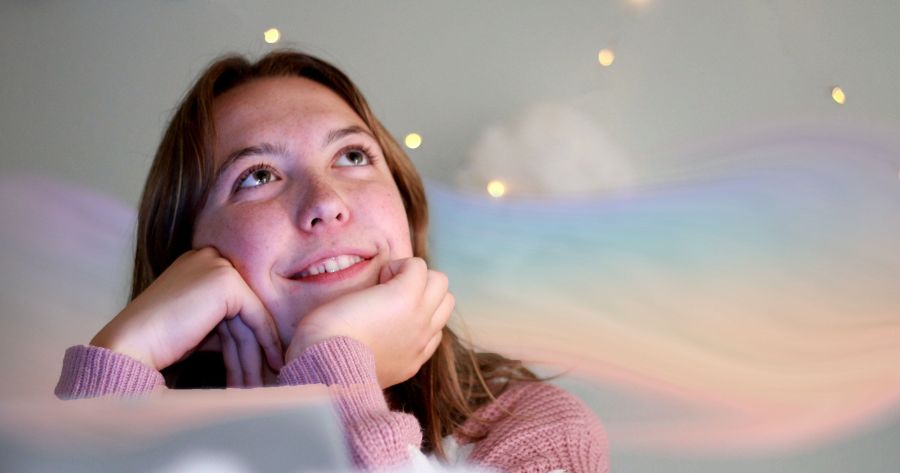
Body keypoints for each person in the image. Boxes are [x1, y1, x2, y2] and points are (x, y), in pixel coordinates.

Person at [55, 50, 608, 472]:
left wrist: (331, 371)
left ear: (405, 204)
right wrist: (122, 355)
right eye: (258, 176)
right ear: (187, 255)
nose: (326, 202)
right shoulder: (165, 448)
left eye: (352, 155)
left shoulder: (534, 430)